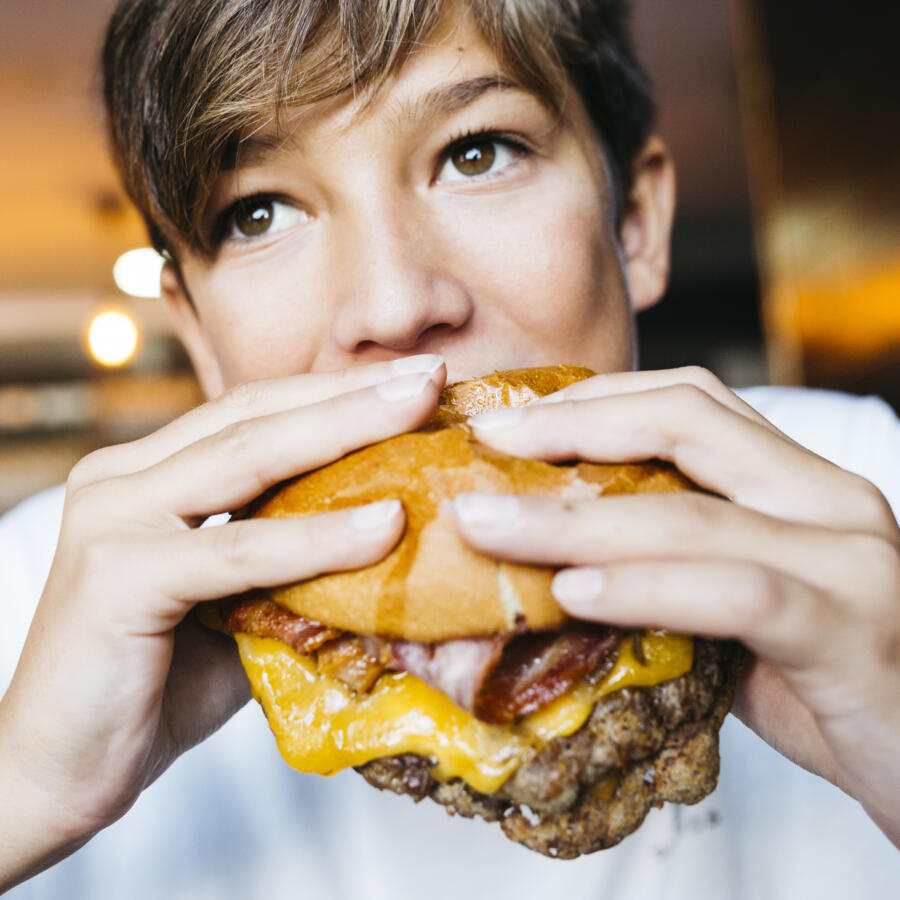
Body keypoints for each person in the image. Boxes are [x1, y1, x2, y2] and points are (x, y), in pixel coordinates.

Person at [1, 0, 898, 895]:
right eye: (261, 212)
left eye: (477, 153)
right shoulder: (44, 591)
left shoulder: (860, 479)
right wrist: (25, 795)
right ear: (195, 330)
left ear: (636, 221)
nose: (394, 306)